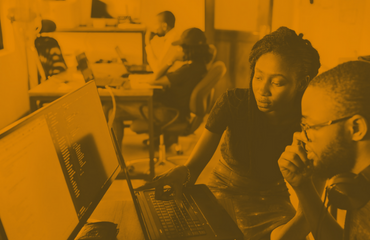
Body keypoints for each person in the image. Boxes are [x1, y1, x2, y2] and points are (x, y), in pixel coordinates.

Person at [136, 26, 321, 240]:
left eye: (277, 82)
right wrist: (182, 173)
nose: (262, 90)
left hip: (273, 202)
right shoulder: (234, 103)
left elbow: (309, 208)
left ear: (302, 83)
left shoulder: (311, 125)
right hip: (221, 193)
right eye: (258, 77)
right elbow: (193, 168)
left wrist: (283, 236)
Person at [278, 61, 370, 240]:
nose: (302, 137)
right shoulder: (358, 183)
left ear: (357, 128)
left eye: (311, 126)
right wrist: (302, 186)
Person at [111, 27, 212, 150]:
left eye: (181, 47)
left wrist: (172, 60)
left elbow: (155, 79)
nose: (179, 49)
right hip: (177, 112)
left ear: (189, 49)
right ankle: (116, 154)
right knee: (113, 108)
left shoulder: (187, 70)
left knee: (112, 108)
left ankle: (116, 157)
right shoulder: (199, 67)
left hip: (168, 114)